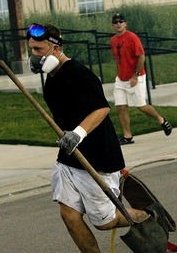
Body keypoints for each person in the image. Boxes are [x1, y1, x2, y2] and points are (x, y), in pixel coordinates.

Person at [26, 23, 166, 252]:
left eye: (39, 50)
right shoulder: (51, 78)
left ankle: (147, 216)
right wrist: (68, 138)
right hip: (69, 156)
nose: (34, 56)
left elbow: (102, 109)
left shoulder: (80, 74)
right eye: (32, 49)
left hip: (97, 155)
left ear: (56, 49)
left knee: (105, 221)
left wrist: (77, 134)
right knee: (69, 215)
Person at [110, 13, 172, 145]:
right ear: (113, 25)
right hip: (121, 78)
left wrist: (135, 75)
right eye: (115, 22)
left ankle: (161, 120)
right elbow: (118, 59)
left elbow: (141, 56)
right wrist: (119, 75)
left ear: (125, 24)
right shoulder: (113, 40)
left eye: (121, 21)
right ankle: (127, 136)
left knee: (141, 106)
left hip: (136, 76)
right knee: (120, 106)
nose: (118, 24)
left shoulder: (132, 37)